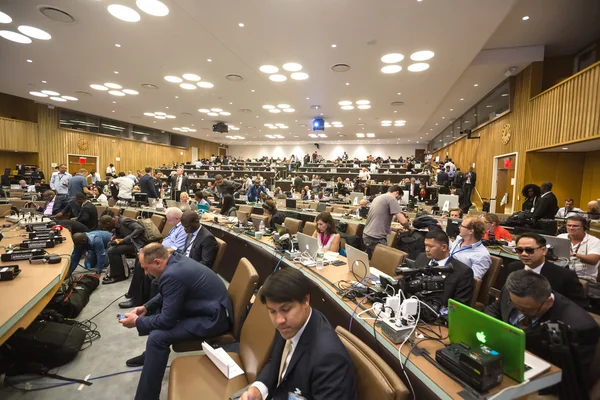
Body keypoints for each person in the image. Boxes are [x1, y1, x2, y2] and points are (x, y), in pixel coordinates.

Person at [119, 244, 233, 400]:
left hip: (211, 319)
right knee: (157, 319)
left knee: (157, 338)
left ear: (158, 262)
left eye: (146, 268)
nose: (145, 273)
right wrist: (146, 307)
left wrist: (138, 322)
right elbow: (169, 292)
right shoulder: (175, 260)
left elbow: (167, 320)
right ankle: (151, 356)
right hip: (207, 308)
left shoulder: (172, 274)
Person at [240, 268, 356, 400]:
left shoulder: (330, 358)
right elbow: (276, 362)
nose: (279, 320)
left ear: (306, 300)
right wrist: (259, 389)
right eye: (272, 311)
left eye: (286, 309)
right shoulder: (289, 324)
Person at [485, 270, 599, 392]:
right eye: (515, 305)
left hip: (542, 380)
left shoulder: (578, 326)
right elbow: (494, 310)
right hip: (503, 355)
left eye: (525, 310)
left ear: (548, 301)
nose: (519, 311)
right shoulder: (511, 291)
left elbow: (573, 377)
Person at [120, 207, 188, 309]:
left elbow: (175, 248)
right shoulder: (176, 226)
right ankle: (134, 292)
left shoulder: (182, 229)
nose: (168, 223)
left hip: (168, 255)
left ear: (177, 219)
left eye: (169, 220)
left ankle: (137, 299)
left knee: (142, 264)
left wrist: (158, 251)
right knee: (140, 257)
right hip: (163, 250)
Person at [494, 233, 587, 308]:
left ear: (544, 251)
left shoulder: (565, 276)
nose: (524, 254)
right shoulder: (513, 267)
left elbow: (579, 307)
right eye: (519, 250)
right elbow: (503, 300)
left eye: (529, 250)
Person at [413, 230, 474, 305]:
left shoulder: (462, 272)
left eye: (431, 246)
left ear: (444, 247)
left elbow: (459, 306)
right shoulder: (421, 258)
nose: (427, 249)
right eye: (426, 245)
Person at [98, 214, 149, 284]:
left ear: (108, 223)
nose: (105, 230)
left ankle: (119, 275)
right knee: (110, 244)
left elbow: (139, 228)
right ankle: (121, 270)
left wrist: (124, 240)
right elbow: (124, 233)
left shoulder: (124, 221)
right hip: (131, 242)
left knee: (112, 251)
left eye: (105, 228)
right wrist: (115, 237)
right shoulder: (117, 223)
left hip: (138, 243)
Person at [362, 186, 410, 258]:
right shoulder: (391, 198)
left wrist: (392, 229)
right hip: (376, 238)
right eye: (399, 198)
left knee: (371, 261)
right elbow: (403, 221)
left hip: (367, 235)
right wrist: (409, 227)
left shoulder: (378, 198)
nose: (397, 201)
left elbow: (378, 220)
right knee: (382, 264)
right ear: (397, 193)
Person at [557, 214, 600, 281]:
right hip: (562, 275)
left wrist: (573, 254)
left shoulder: (594, 241)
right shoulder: (561, 237)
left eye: (575, 226)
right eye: (569, 225)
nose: (571, 228)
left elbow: (593, 260)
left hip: (584, 278)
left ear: (584, 227)